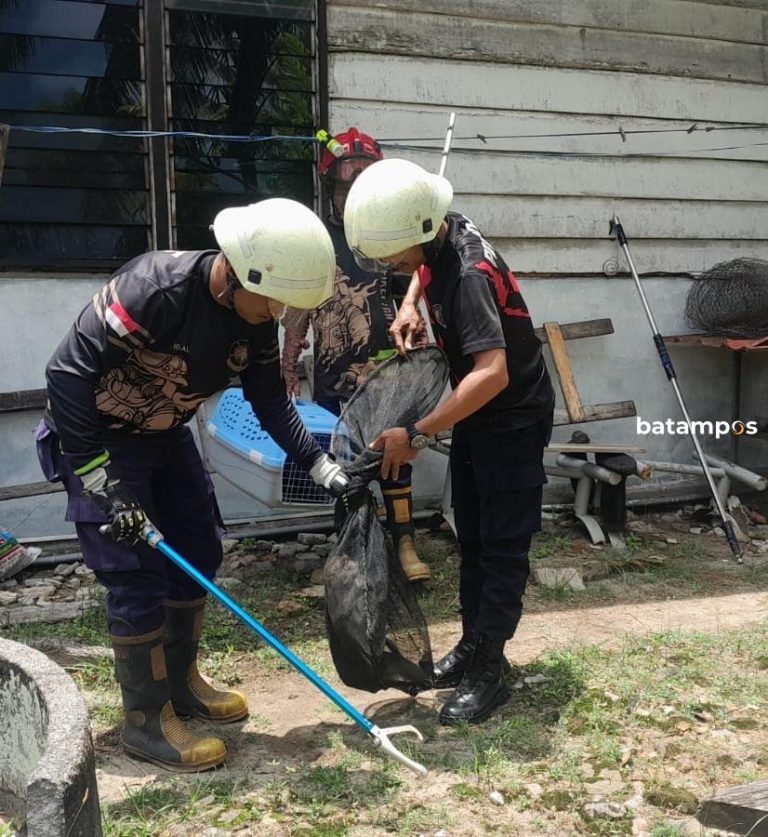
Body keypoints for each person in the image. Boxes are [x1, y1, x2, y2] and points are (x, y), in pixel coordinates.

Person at [37, 198, 351, 772]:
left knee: (198, 549)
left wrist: (320, 466)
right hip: (99, 442)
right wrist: (99, 480)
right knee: (137, 574)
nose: (278, 313)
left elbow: (269, 402)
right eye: (274, 299)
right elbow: (66, 376)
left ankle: (181, 683)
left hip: (164, 435)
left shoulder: (253, 320)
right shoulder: (151, 290)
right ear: (236, 272)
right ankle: (147, 722)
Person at [344, 158, 555, 725]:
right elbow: (426, 265)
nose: (390, 264)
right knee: (473, 535)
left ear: (417, 229)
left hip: (510, 415)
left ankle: (492, 666)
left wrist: (416, 431)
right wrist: (412, 299)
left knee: (502, 543)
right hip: (477, 415)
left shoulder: (468, 278)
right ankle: (470, 644)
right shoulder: (444, 227)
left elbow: (492, 373)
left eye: (393, 254)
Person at [281, 128, 431, 583]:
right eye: (345, 185)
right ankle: (351, 554)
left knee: (393, 456)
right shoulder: (316, 240)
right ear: (331, 189)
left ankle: (404, 542)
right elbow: (296, 307)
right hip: (333, 372)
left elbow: (416, 290)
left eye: (363, 182)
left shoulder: (392, 235)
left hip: (390, 368)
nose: (353, 194)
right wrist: (287, 360)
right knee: (343, 463)